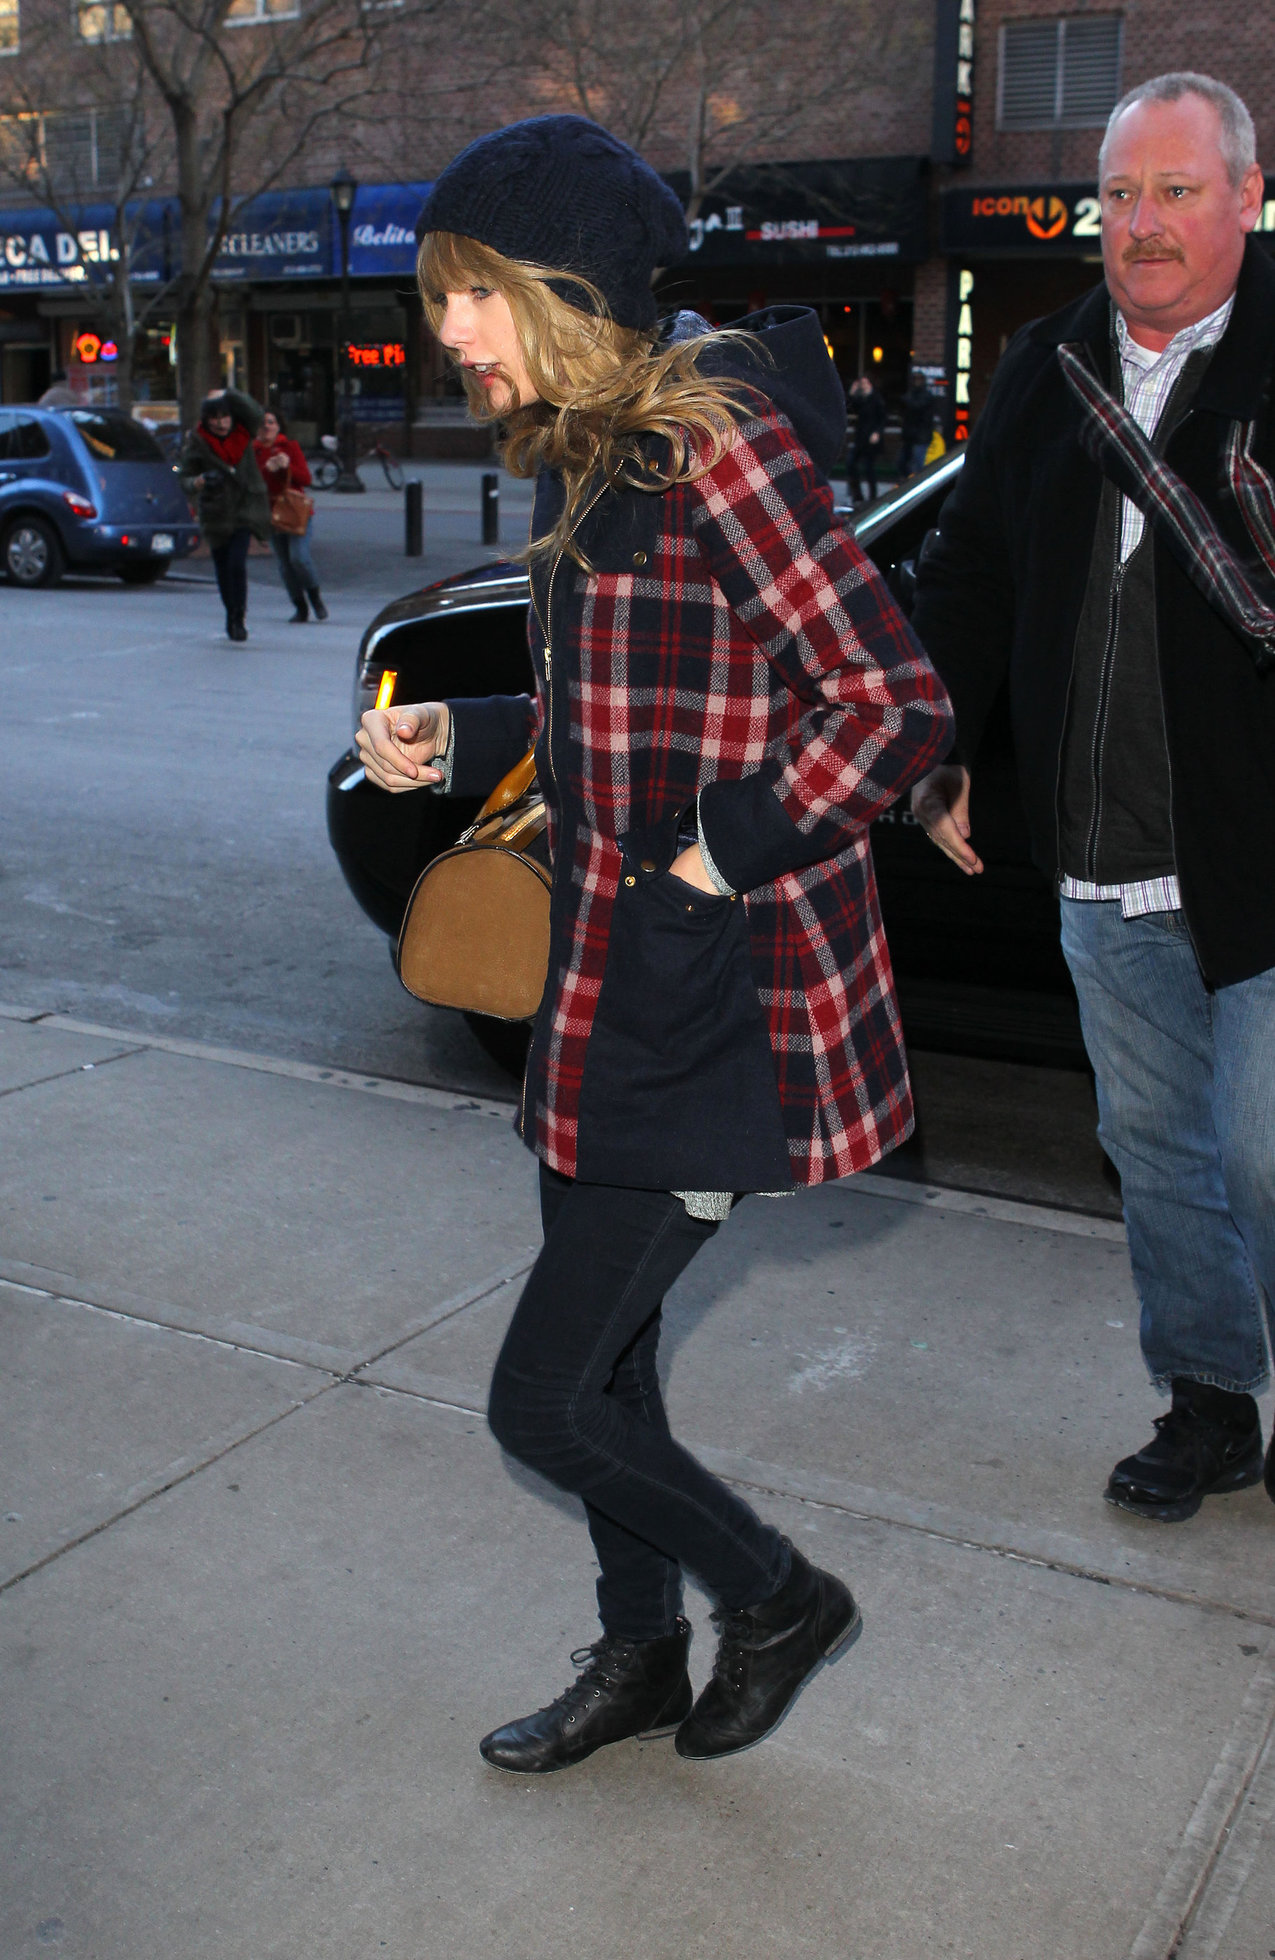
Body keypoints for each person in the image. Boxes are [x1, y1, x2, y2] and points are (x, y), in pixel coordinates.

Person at [357, 115, 953, 1774]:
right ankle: (640, 1660)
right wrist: (461, 745)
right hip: (604, 988)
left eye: (470, 295)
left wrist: (713, 855)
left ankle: (776, 1598)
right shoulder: (599, 449)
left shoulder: (717, 448)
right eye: (441, 298)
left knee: (540, 1401)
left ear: (562, 284)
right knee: (609, 1363)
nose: (449, 333)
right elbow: (602, 710)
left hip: (709, 1011)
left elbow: (894, 711)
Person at [909, 72, 1275, 1525]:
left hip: (1259, 858)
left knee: (1260, 1149)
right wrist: (932, 740)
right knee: (1153, 1148)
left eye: (1174, 192)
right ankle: (1204, 1404)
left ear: (1245, 198)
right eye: (1116, 196)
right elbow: (968, 567)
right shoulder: (1042, 364)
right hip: (1098, 858)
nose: (1140, 224)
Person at [179, 387, 270, 642]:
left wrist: (228, 394)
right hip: (216, 511)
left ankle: (239, 617)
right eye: (214, 419)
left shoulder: (244, 432)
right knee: (222, 567)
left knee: (236, 564)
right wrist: (197, 482)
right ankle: (230, 613)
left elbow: (255, 411)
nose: (221, 423)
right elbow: (183, 476)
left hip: (243, 509)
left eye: (225, 417)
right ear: (206, 421)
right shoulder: (197, 442)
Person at [253, 409, 328, 623]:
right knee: (284, 564)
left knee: (299, 557)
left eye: (271, 422)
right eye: (262, 423)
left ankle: (315, 598)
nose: (266, 427)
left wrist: (287, 466)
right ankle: (300, 606)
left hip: (295, 511)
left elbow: (306, 478)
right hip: (271, 514)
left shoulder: (290, 447)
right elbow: (251, 485)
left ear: (278, 426)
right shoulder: (253, 452)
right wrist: (267, 469)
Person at [846, 372, 886, 503]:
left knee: (869, 468)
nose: (863, 386)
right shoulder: (861, 399)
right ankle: (857, 495)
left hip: (871, 437)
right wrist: (852, 392)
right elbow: (851, 407)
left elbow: (882, 418)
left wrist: (877, 433)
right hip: (861, 437)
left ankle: (872, 496)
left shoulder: (876, 399)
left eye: (865, 383)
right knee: (852, 464)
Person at [898, 372, 936, 476]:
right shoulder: (911, 394)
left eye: (919, 380)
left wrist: (906, 400)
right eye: (915, 379)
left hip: (921, 435)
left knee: (917, 465)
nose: (916, 382)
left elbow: (917, 407)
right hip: (909, 436)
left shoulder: (926, 396)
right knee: (902, 463)